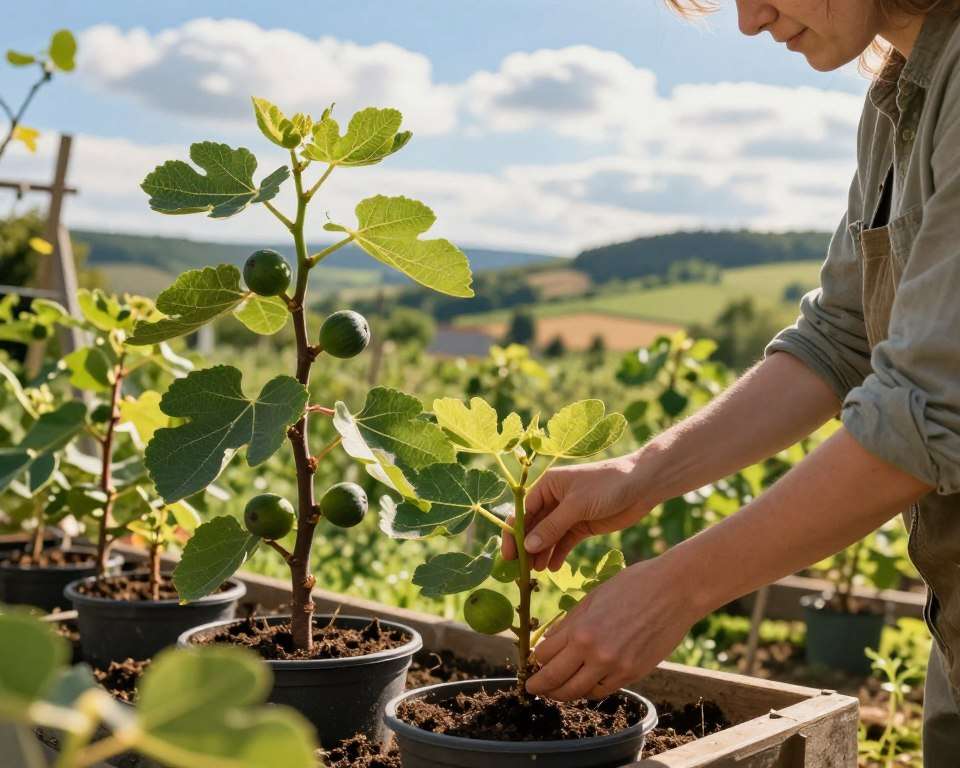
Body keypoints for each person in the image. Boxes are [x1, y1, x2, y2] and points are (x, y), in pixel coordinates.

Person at [501, 1, 960, 763]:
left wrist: (675, 589)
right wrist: (642, 472)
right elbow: (840, 336)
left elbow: (931, 408)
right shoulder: (898, 97)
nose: (749, 20)